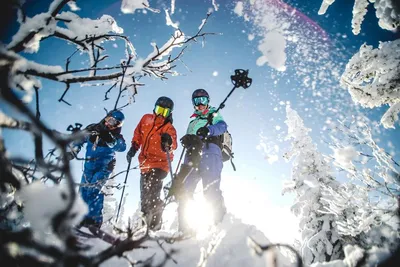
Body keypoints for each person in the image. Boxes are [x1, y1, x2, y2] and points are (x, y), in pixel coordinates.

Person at [174, 89, 227, 233]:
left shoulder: (213, 113)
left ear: (208, 101)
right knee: (184, 191)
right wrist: (187, 139)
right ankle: (185, 231)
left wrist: (208, 130)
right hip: (192, 155)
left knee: (210, 189)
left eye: (203, 100)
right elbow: (190, 137)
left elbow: (222, 126)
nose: (200, 104)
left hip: (210, 151)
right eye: (197, 101)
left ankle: (219, 227)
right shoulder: (192, 122)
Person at [68, 110, 127, 228]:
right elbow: (80, 139)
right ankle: (81, 219)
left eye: (116, 124)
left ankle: (94, 221)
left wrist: (109, 139)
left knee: (93, 191)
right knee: (83, 192)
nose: (111, 124)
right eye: (110, 120)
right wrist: (73, 151)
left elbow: (121, 147)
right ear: (106, 118)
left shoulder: (115, 136)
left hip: (104, 167)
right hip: (89, 167)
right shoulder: (93, 129)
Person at [126, 96, 177, 230]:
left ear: (169, 114)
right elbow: (138, 134)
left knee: (153, 193)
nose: (160, 114)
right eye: (159, 109)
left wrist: (168, 141)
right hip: (145, 164)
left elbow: (174, 144)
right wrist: (134, 147)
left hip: (160, 165)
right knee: (144, 196)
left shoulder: (168, 128)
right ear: (154, 108)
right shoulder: (146, 119)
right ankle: (145, 226)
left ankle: (154, 226)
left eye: (164, 112)